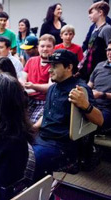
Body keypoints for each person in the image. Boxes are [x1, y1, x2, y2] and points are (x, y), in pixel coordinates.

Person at [32, 49, 104, 181]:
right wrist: (34, 127)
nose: (49, 70)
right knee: (14, 150)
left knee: (32, 159)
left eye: (54, 66)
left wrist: (85, 105)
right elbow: (49, 113)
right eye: (49, 65)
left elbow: (99, 121)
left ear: (69, 67)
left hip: (62, 145)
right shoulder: (53, 87)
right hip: (43, 137)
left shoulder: (80, 90)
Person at [22, 34, 55, 123]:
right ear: (38, 47)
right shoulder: (31, 60)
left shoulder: (55, 65)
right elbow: (23, 78)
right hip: (28, 99)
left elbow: (50, 87)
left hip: (44, 101)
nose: (45, 49)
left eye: (48, 46)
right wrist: (22, 83)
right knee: (19, 121)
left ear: (53, 48)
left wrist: (33, 86)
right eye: (42, 46)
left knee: (32, 123)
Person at [79, 1, 111, 81]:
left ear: (100, 12)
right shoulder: (94, 29)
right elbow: (89, 52)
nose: (89, 16)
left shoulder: (106, 29)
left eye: (91, 13)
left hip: (99, 72)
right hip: (89, 70)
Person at [87, 39, 111, 130]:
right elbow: (89, 86)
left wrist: (102, 95)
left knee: (90, 123)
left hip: (107, 109)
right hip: (91, 105)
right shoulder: (100, 66)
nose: (110, 53)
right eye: (108, 50)